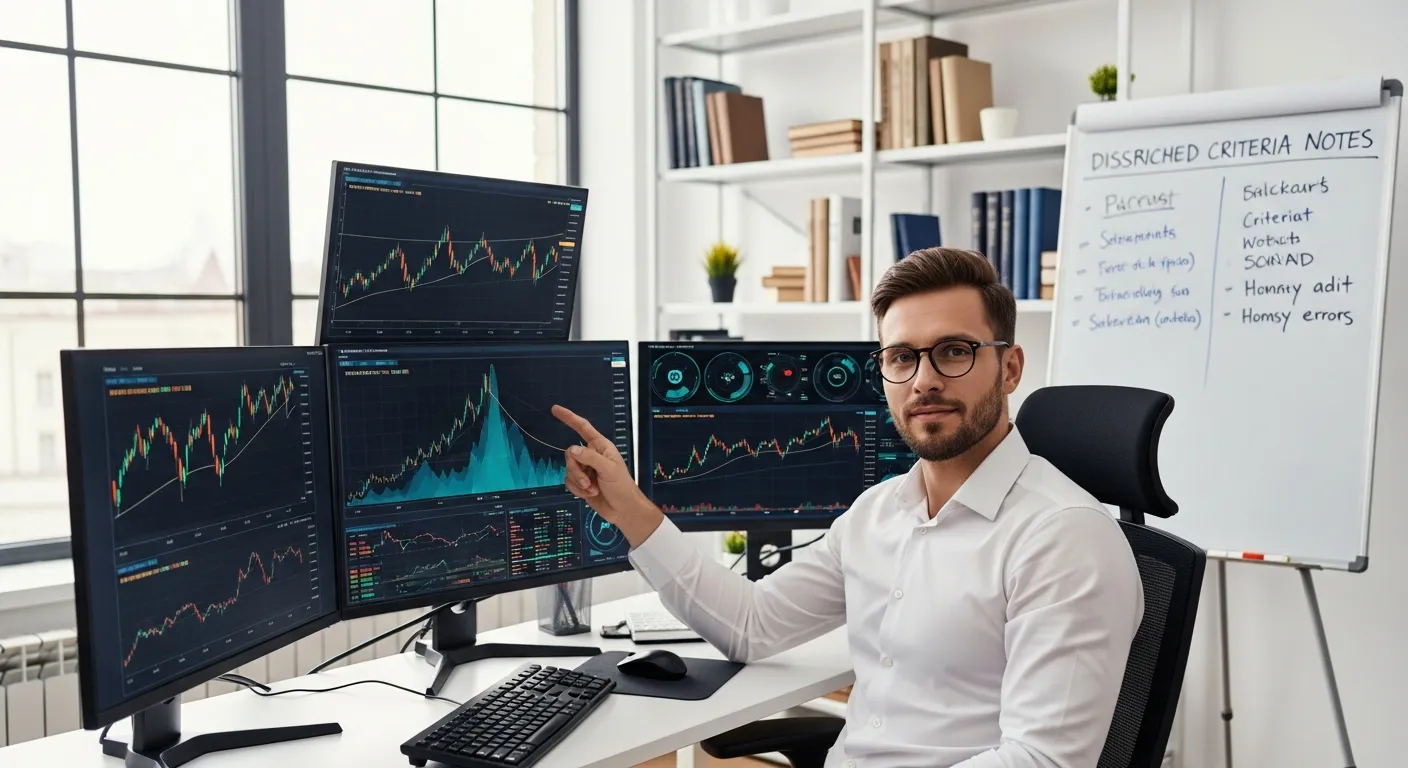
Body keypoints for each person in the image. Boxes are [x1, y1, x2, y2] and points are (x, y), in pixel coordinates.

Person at [552, 247, 1144, 768]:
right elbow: (753, 625)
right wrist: (626, 506)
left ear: (1009, 367)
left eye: (954, 352)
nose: (924, 381)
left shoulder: (1065, 540)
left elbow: (1042, 760)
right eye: (901, 357)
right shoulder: (876, 513)